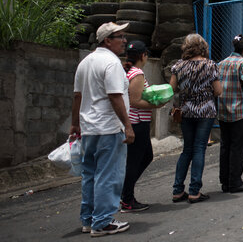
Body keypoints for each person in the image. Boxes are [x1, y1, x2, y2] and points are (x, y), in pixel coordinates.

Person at [70, 22, 134, 237]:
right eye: (120, 36)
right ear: (108, 40)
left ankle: (88, 219)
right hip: (108, 128)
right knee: (109, 175)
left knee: (90, 175)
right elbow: (115, 95)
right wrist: (127, 125)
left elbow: (77, 96)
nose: (124, 41)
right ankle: (103, 222)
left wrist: (75, 124)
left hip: (89, 129)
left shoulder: (85, 62)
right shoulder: (111, 63)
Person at [170, 34, 221, 204]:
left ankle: (178, 190)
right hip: (205, 111)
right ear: (202, 46)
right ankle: (194, 191)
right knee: (199, 148)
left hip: (186, 111)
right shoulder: (210, 65)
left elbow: (172, 88)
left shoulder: (178, 66)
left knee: (187, 149)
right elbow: (218, 90)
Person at [120, 41, 162, 212]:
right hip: (137, 122)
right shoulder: (137, 73)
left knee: (144, 157)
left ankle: (125, 193)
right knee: (136, 160)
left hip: (135, 122)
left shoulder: (128, 71)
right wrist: (156, 105)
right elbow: (135, 101)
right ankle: (126, 197)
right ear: (143, 55)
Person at [218, 35, 243, 193]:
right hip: (239, 111)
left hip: (222, 110)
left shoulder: (221, 63)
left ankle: (225, 181)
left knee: (225, 146)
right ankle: (235, 181)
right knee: (238, 148)